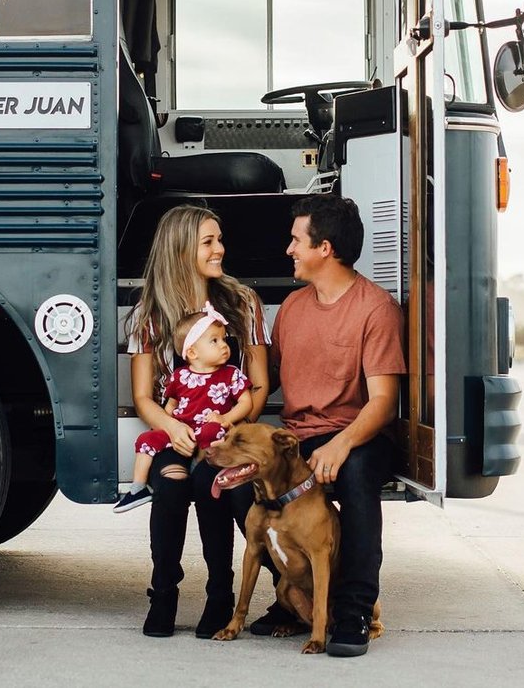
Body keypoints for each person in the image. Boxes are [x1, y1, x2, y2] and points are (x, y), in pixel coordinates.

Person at [270, 193, 405, 657]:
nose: (289, 250)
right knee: (236, 482)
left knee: (357, 477)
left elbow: (384, 402)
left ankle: (353, 611)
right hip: (300, 434)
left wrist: (340, 446)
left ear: (324, 248)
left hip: (357, 431)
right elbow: (263, 380)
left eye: (296, 241)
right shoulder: (291, 308)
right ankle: (293, 596)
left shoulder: (375, 308)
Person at [127, 203, 271, 638]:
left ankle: (220, 595)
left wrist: (227, 427)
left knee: (216, 485)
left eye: (219, 240)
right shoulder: (150, 313)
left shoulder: (242, 303)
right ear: (180, 248)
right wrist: (172, 428)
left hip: (227, 433)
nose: (219, 249)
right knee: (170, 486)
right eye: (208, 241)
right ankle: (164, 594)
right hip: (176, 434)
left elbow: (259, 387)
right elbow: (141, 395)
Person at [116, 304, 253, 513]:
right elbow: (171, 405)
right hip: (182, 431)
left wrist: (225, 418)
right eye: (214, 341)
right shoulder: (180, 376)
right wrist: (168, 427)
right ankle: (138, 487)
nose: (224, 345)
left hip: (210, 427)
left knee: (212, 432)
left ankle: (199, 469)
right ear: (192, 352)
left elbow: (246, 402)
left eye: (224, 339)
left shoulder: (231, 374)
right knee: (146, 439)